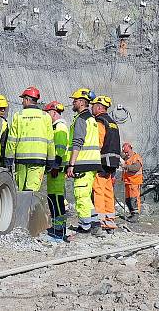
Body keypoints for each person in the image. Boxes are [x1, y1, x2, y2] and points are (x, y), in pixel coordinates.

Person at [65, 88, 103, 234]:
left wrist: (71, 164)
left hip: (83, 163)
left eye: (74, 101)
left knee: (80, 195)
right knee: (86, 196)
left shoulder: (81, 119)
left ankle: (85, 227)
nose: (73, 103)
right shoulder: (92, 119)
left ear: (81, 102)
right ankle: (94, 224)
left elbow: (77, 142)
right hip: (92, 163)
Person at [4, 87, 54, 192]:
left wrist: (8, 161)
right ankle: (29, 209)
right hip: (39, 160)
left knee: (21, 191)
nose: (22, 102)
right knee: (32, 191)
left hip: (21, 160)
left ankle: (20, 209)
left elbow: (11, 141)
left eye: (23, 99)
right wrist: (50, 162)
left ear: (27, 99)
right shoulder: (45, 117)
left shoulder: (18, 116)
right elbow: (50, 142)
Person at [91, 95, 122, 232]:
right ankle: (110, 221)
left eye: (93, 106)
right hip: (112, 163)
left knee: (98, 190)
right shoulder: (113, 123)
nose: (91, 108)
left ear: (98, 107)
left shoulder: (100, 121)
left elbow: (98, 143)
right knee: (108, 191)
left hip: (102, 161)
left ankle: (100, 221)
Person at [42, 101, 69, 241]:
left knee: (57, 200)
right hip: (55, 169)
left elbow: (60, 148)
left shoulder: (60, 127)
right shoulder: (56, 127)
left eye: (47, 113)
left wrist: (56, 165)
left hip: (57, 169)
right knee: (52, 198)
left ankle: (59, 231)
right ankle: (56, 227)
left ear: (53, 112)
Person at [120, 142, 143, 222]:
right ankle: (132, 214)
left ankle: (136, 216)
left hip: (134, 182)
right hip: (128, 182)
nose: (126, 154)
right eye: (125, 152)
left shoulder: (136, 157)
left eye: (127, 152)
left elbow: (136, 168)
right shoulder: (127, 158)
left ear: (131, 149)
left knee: (134, 199)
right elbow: (121, 156)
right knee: (128, 199)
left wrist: (126, 166)